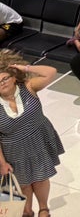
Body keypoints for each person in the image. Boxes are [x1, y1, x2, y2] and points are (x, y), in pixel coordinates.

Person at [0, 51, 62, 217]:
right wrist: (2, 162)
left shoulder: (28, 87)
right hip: (13, 150)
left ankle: (44, 209)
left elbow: (51, 72)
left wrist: (25, 68)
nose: (2, 83)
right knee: (24, 184)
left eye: (5, 78)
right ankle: (27, 212)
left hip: (39, 141)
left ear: (13, 77)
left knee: (41, 178)